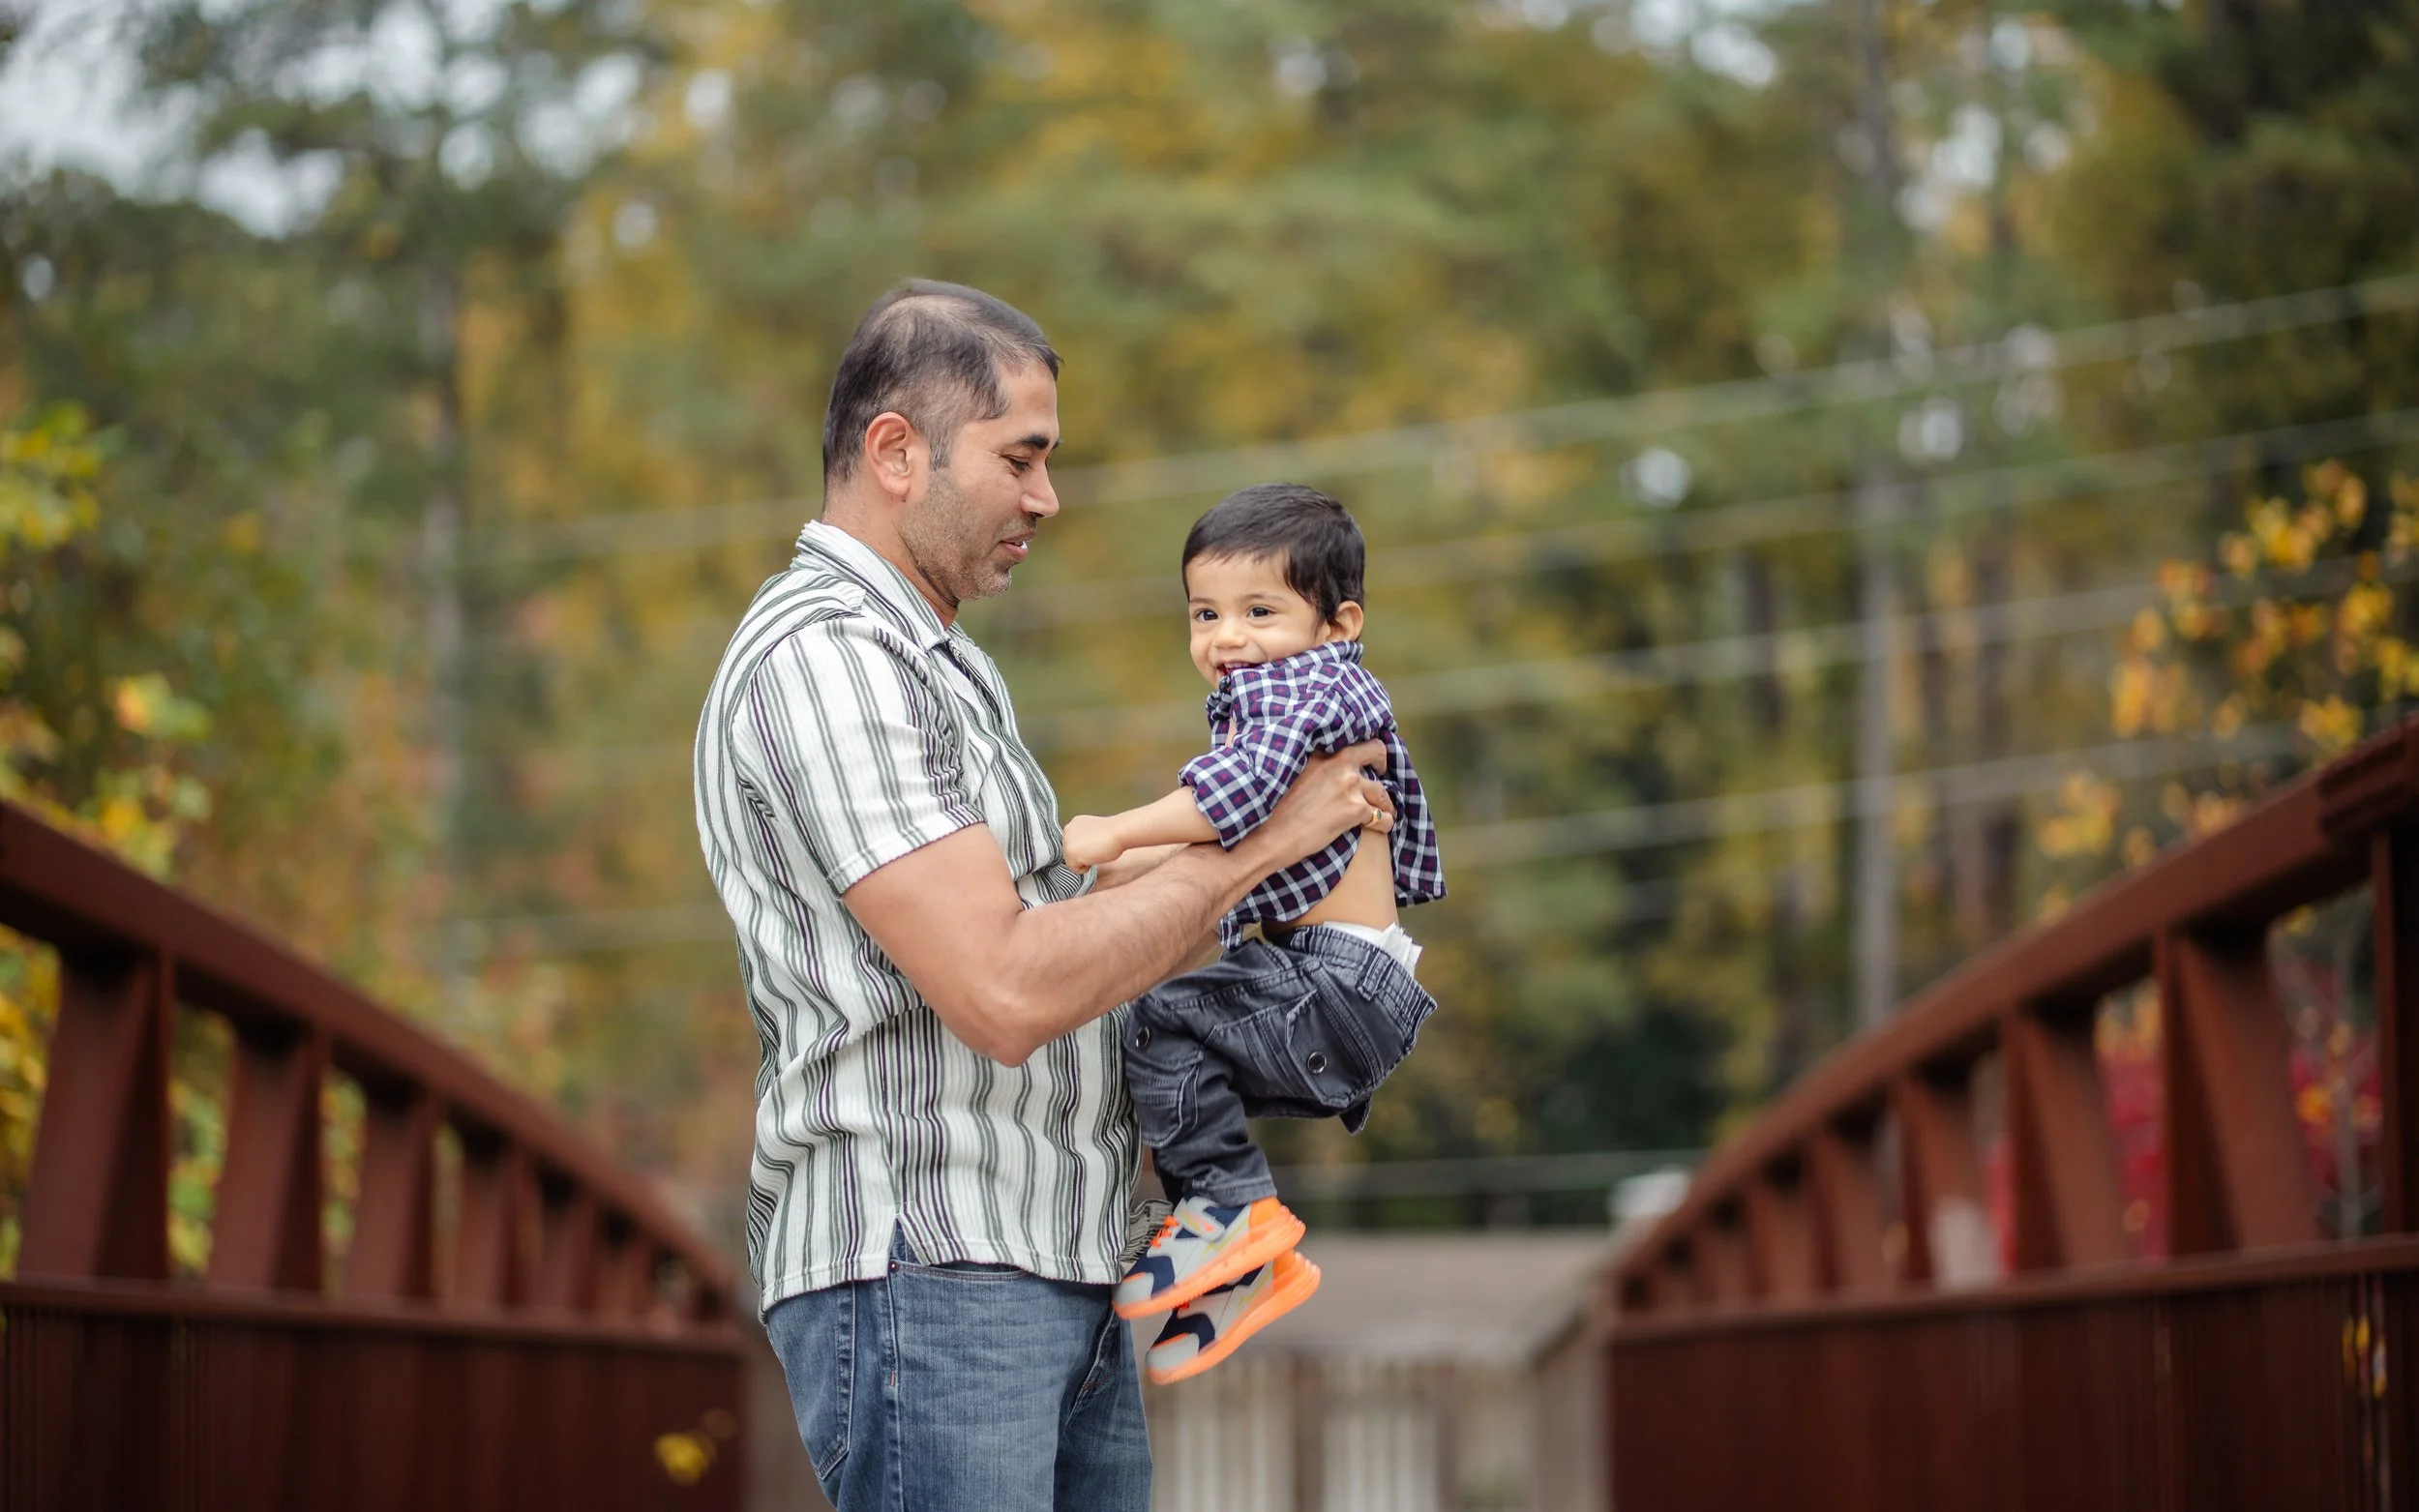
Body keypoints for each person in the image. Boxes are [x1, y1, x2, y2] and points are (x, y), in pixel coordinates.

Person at [692, 282, 1394, 1512]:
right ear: (897, 452)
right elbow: (1007, 988)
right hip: (931, 1265)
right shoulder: (829, 661)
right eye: (1022, 458)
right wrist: (1259, 845)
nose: (1046, 498)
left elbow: (1052, 930)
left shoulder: (938, 666)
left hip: (1048, 1262)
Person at [1060, 483, 1446, 1385]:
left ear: (1337, 621)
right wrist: (1119, 878)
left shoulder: (1303, 686)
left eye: (1258, 611)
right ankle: (1239, 1262)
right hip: (1334, 989)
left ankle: (1233, 1207)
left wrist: (1118, 831)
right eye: (1205, 613)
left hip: (1330, 984)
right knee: (1185, 1066)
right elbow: (1239, 832)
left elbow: (1228, 797)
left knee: (1157, 1021)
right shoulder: (1295, 690)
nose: (1226, 638)